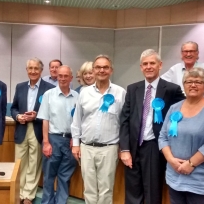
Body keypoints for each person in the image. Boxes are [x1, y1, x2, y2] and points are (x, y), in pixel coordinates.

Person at [119, 49, 185, 204]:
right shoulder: (132, 88)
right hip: (133, 147)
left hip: (154, 147)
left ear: (160, 65)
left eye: (152, 63)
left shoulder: (171, 89)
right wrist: (125, 149)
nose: (148, 67)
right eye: (145, 64)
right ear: (141, 67)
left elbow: (184, 112)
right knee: (132, 190)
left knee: (152, 191)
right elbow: (125, 120)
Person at [158, 67, 204, 204]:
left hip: (201, 178)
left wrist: (190, 164)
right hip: (175, 173)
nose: (193, 85)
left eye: (198, 82)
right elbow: (163, 137)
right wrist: (171, 160)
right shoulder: (174, 108)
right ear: (184, 85)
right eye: (188, 82)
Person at [71, 54, 126, 204]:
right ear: (93, 70)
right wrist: (76, 144)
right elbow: (77, 121)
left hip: (109, 149)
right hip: (86, 148)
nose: (102, 70)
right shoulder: (84, 93)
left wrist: (123, 147)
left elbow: (124, 122)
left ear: (111, 70)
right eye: (98, 67)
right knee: (88, 189)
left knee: (106, 190)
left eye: (105, 67)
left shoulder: (120, 93)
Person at [10, 58, 55, 204]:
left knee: (34, 163)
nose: (33, 71)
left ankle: (28, 195)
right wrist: (18, 116)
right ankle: (19, 193)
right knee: (20, 163)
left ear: (41, 71)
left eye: (36, 68)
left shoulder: (49, 88)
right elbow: (13, 107)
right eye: (30, 68)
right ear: (26, 70)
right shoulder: (20, 86)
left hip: (38, 129)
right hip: (22, 128)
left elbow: (51, 111)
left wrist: (37, 116)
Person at [37, 65, 78, 204]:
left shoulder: (77, 96)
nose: (63, 78)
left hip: (71, 141)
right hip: (53, 140)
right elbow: (45, 119)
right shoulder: (49, 95)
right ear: (57, 77)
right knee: (49, 176)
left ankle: (61, 202)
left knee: (65, 176)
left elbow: (79, 121)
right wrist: (46, 142)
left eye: (66, 76)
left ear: (71, 78)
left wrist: (76, 139)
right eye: (60, 76)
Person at [161, 41, 204, 106]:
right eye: (186, 51)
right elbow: (160, 83)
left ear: (197, 53)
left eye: (191, 51)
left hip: (201, 109)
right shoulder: (175, 69)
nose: (188, 54)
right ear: (182, 53)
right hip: (180, 110)